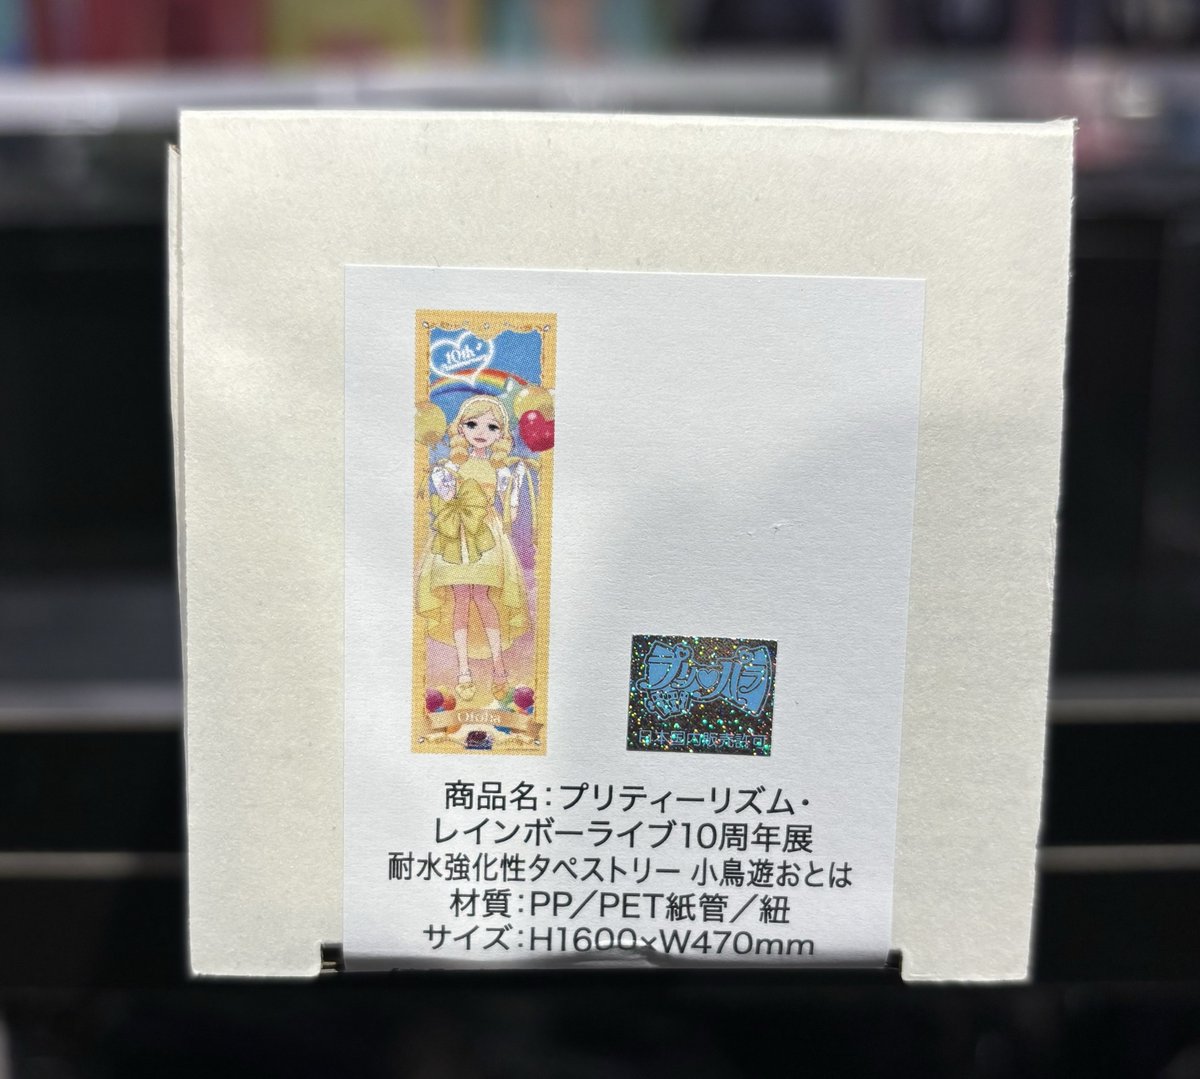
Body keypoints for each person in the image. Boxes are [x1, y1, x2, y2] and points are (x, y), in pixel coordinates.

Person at [415, 394, 533, 703]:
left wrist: (516, 484)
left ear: (501, 434)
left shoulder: (501, 469)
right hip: (456, 533)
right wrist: (441, 477)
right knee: (460, 598)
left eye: (491, 426)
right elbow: (444, 497)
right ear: (461, 429)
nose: (481, 432)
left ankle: (498, 666)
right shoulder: (451, 466)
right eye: (472, 424)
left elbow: (511, 510)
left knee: (482, 596)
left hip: (486, 535)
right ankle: (463, 669)